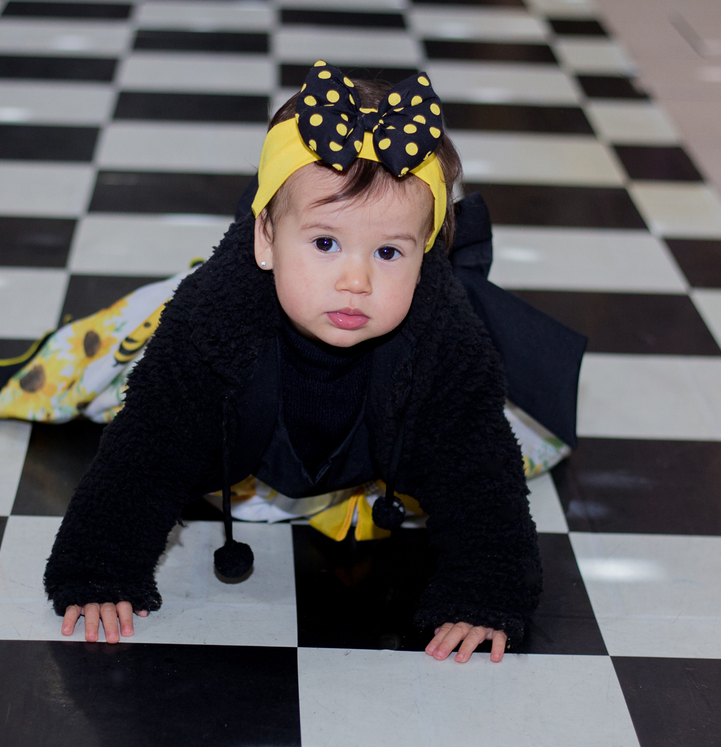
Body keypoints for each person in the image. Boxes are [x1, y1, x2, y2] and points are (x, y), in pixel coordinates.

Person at [42, 63, 578, 664]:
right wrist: (99, 570)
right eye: (325, 243)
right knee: (118, 373)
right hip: (249, 418)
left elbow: (475, 463)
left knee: (507, 431)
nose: (356, 280)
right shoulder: (214, 316)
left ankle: (346, 480)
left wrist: (485, 592)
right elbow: (151, 443)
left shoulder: (441, 331)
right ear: (266, 239)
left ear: (425, 253)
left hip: (367, 431)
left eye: (388, 251)